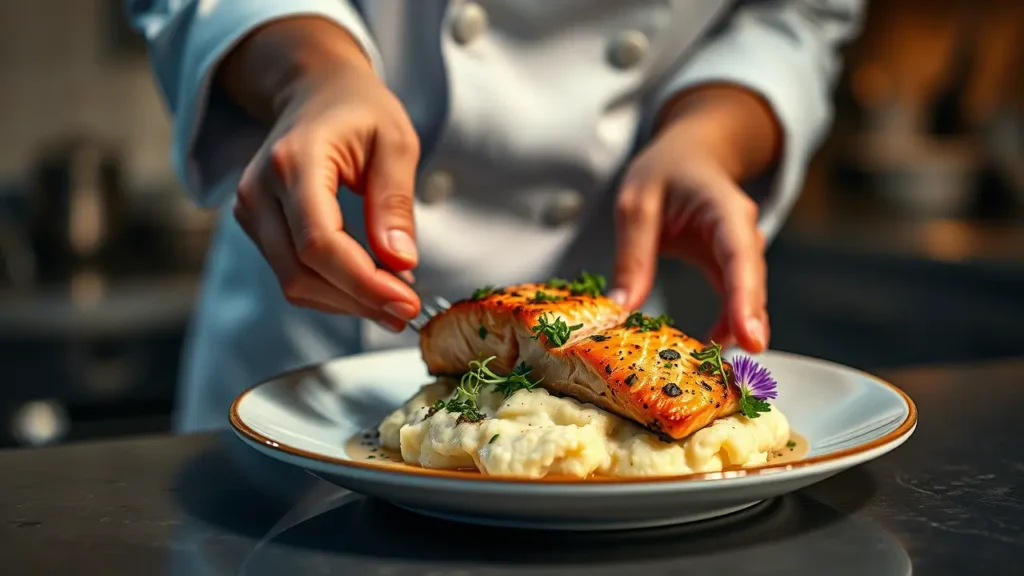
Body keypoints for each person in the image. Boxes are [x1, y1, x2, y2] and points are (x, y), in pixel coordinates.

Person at [128, 1, 864, 433]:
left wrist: (708, 135)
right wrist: (309, 75)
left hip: (618, 320)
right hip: (306, 340)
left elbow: (798, 15)